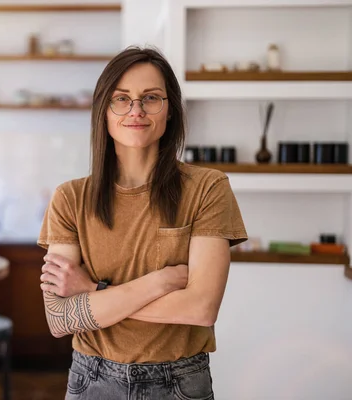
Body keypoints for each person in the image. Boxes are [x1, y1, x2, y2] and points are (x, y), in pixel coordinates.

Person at [37, 46, 248, 400]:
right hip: (92, 379)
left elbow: (201, 308)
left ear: (170, 112)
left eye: (151, 98)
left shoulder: (207, 188)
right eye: (122, 99)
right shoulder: (69, 198)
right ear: (104, 111)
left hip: (179, 382)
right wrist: (161, 282)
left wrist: (92, 291)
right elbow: (60, 318)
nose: (136, 110)